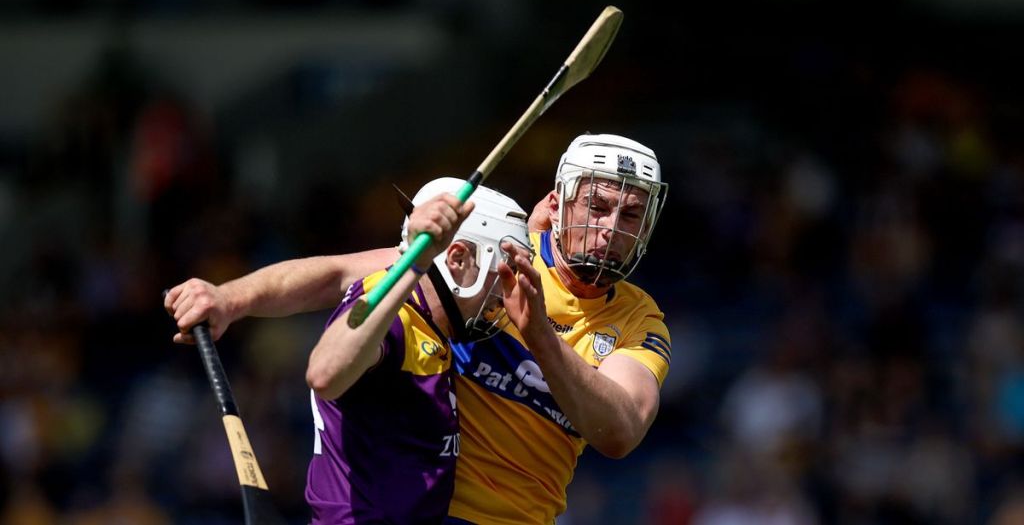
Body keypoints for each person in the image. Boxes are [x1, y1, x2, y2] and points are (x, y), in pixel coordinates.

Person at [165, 133, 671, 523]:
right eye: (597, 207)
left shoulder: (638, 319)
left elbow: (619, 431)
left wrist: (538, 334)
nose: (611, 229)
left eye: (630, 215)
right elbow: (341, 275)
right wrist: (229, 298)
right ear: (558, 205)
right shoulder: (491, 250)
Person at [283, 178, 530, 523]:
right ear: (458, 259)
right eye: (502, 273)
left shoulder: (437, 333)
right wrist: (415, 264)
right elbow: (324, 372)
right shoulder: (396, 315)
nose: (505, 295)